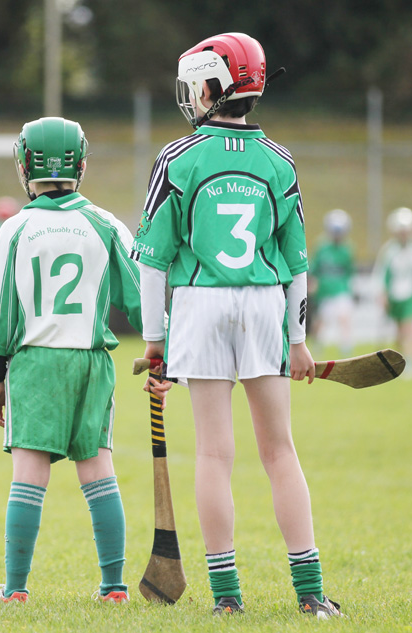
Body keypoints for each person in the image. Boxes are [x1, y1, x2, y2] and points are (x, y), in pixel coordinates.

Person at [130, 33, 343, 618]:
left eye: (196, 83)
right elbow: (297, 264)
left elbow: (152, 262)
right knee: (280, 452)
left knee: (215, 456)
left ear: (213, 87)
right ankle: (312, 594)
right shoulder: (280, 161)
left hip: (199, 306)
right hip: (266, 306)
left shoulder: (176, 159)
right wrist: (298, 340)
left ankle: (228, 599)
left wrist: (155, 341)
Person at [0, 116, 169, 604]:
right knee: (99, 470)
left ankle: (16, 589)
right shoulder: (105, 223)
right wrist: (161, 345)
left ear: (24, 165)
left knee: (29, 475)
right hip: (90, 362)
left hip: (35, 362)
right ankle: (114, 588)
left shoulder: (14, 227)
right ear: (81, 165)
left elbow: (0, 311)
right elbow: (140, 295)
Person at [308, 209, 355, 356]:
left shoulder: (347, 249)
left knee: (344, 318)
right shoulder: (321, 247)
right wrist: (312, 283)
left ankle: (346, 348)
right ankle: (316, 346)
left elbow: (349, 272)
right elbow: (313, 268)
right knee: (320, 322)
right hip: (324, 291)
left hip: (341, 290)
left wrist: (348, 289)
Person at [373, 207, 412, 372]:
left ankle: (408, 362)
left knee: (407, 327)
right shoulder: (389, 250)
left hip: (409, 295)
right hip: (395, 295)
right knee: (399, 331)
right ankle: (401, 361)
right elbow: (382, 273)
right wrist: (382, 294)